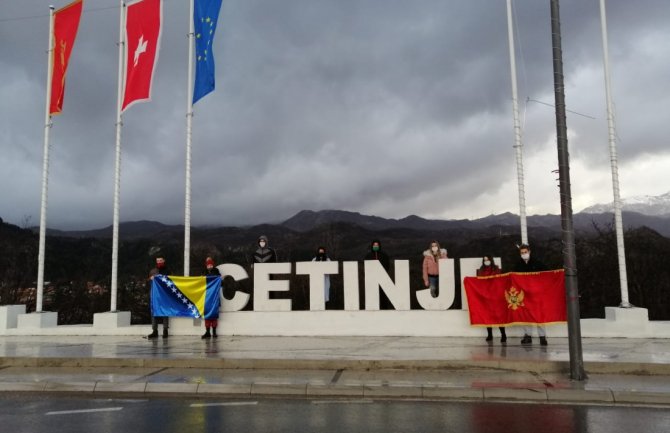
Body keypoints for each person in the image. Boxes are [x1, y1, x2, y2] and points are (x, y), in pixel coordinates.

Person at [514, 244, 548, 346]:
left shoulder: (537, 263)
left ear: (529, 252)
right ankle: (527, 336)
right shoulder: (518, 265)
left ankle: (542, 337)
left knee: (539, 315)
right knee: (525, 315)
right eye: (522, 253)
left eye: (525, 252)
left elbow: (547, 274)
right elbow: (513, 277)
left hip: (536, 294)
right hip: (524, 294)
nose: (524, 254)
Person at [477, 255, 507, 343]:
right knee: (487, 315)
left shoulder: (496, 269)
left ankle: (503, 334)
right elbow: (479, 281)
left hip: (496, 295)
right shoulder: (481, 270)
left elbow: (500, 280)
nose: (486, 261)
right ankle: (490, 334)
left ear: (491, 260)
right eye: (484, 260)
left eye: (488, 259)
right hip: (486, 296)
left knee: (499, 316)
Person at [147, 256, 170, 339]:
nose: (159, 262)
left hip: (164, 295)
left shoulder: (167, 271)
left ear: (164, 260)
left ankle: (165, 330)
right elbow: (148, 282)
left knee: (165, 312)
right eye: (157, 261)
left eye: (160, 260)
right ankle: (154, 331)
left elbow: (171, 282)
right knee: (154, 312)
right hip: (154, 295)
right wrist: (151, 279)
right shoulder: (153, 271)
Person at [201, 257, 221, 339]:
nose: (209, 266)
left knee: (214, 314)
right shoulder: (204, 272)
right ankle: (208, 331)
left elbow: (219, 281)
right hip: (206, 296)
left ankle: (214, 332)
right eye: (208, 265)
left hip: (214, 296)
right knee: (207, 315)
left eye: (210, 264)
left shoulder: (216, 272)